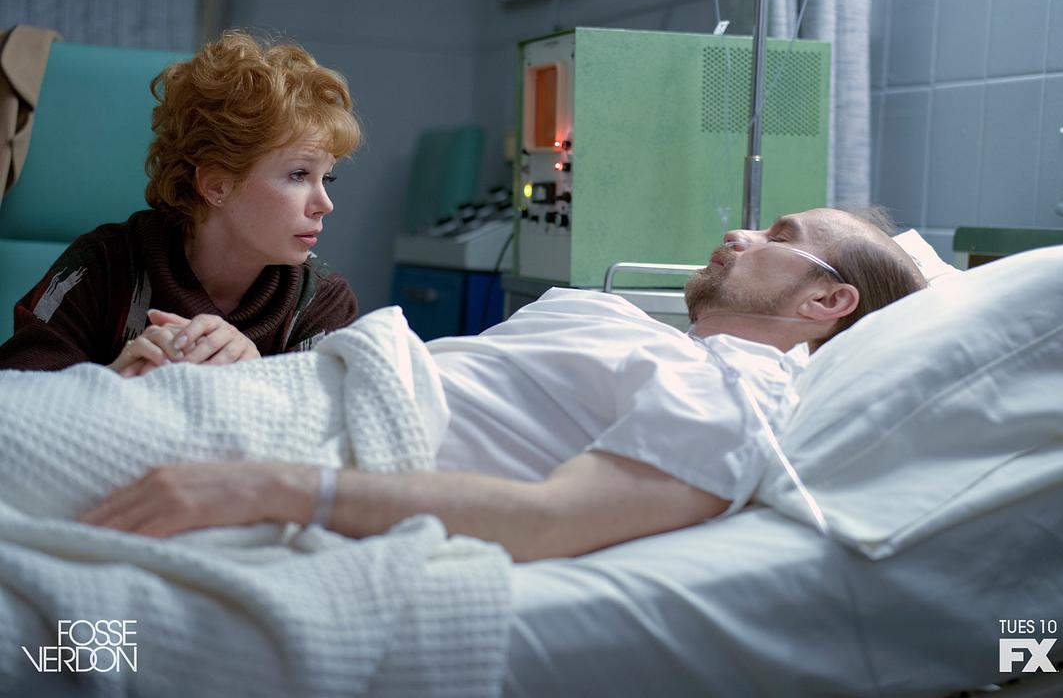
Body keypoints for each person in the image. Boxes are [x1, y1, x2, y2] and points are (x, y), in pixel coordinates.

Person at [81, 207, 927, 562]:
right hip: (254, 404)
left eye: (779, 234)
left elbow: (553, 519)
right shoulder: (632, 328)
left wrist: (260, 486)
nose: (742, 233)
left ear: (827, 301)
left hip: (278, 456)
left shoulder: (731, 392)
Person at [0, 30, 363, 374]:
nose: (325, 204)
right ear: (217, 185)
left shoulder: (323, 301)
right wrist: (112, 381)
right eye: (299, 175)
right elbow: (17, 395)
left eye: (326, 178)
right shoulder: (103, 264)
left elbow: (326, 419)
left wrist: (256, 378)